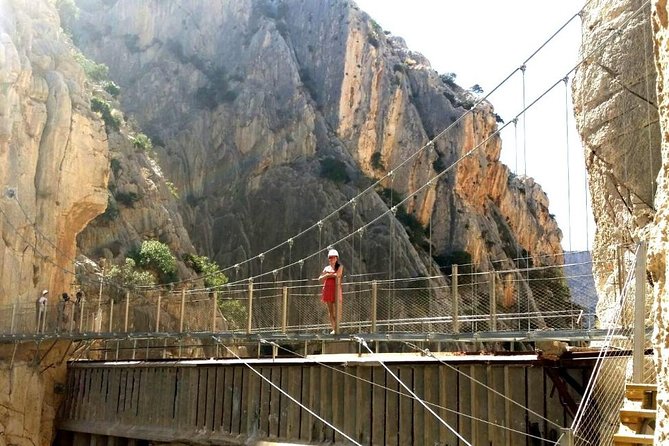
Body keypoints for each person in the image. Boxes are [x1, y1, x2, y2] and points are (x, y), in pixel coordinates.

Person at [318, 249, 343, 334]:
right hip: (327, 290)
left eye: (333, 257)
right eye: (330, 257)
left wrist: (328, 275)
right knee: (330, 311)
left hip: (336, 290)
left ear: (336, 258)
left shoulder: (339, 266)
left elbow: (338, 275)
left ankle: (336, 328)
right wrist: (328, 275)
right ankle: (334, 329)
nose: (331, 259)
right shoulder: (326, 268)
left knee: (338, 310)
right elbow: (320, 278)